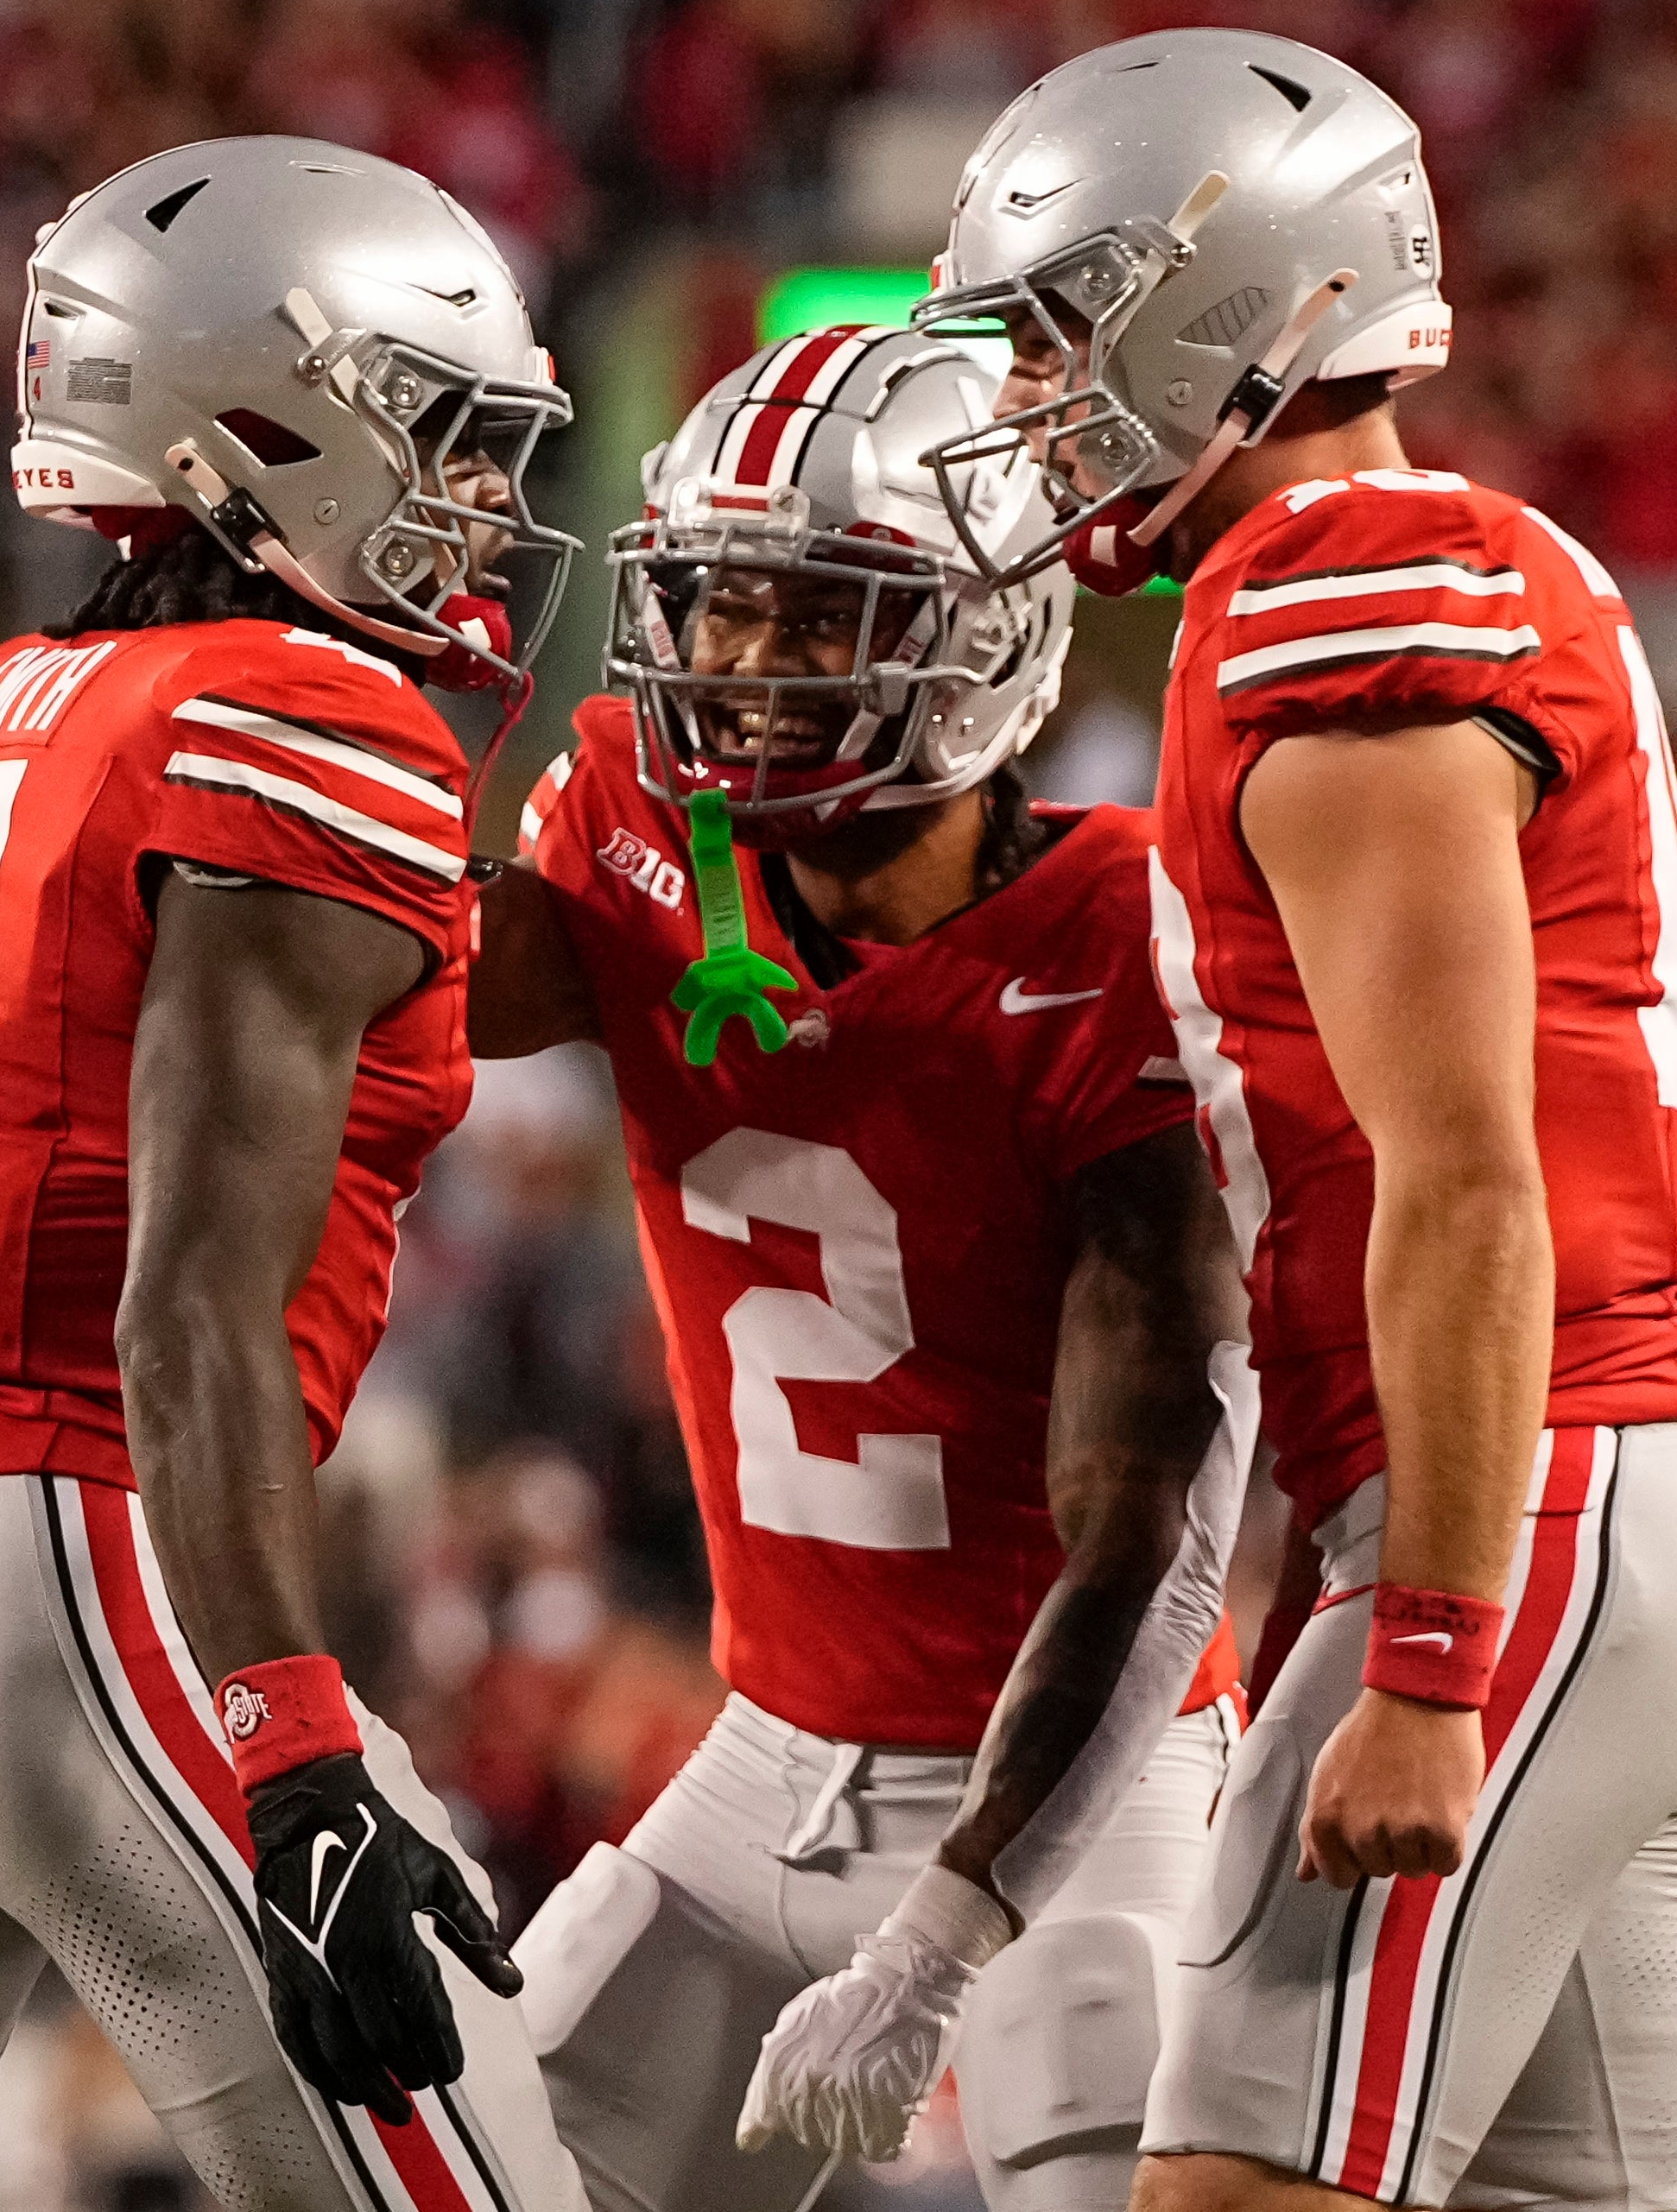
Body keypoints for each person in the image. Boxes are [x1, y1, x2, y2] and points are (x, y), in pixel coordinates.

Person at [0, 136, 589, 2212]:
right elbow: (188, 1308)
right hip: (75, 1574)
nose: (483, 501)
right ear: (261, 423)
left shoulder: (1, 712)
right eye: (439, 431)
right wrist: (298, 1759)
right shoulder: (303, 714)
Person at [916, 31, 1677, 2211]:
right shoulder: (1462, 560)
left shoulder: (1336, 595)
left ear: (1236, 308)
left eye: (1055, 334)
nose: (1026, 402)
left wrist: (1425, 1644)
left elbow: (1465, 1175)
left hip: (1520, 1516)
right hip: (1628, 1504)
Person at [471, 321, 1253, 2212]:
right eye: (718, 608)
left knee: (1101, 2143)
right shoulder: (635, 836)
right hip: (765, 1751)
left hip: (1082, 1782)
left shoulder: (1121, 947)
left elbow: (1147, 1534)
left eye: (811, 618)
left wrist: (945, 1924)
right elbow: (375, 997)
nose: (736, 672)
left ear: (985, 629)